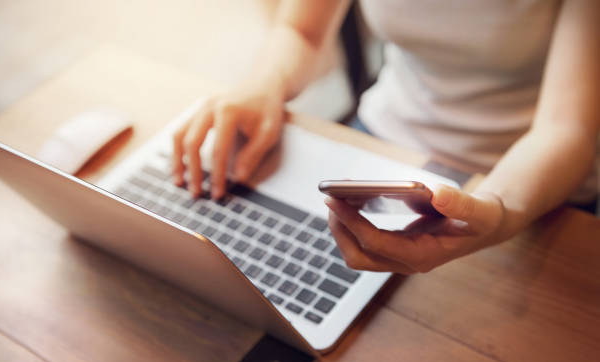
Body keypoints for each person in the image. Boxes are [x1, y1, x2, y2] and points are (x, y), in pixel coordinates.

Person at [171, 0, 600, 274]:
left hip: (531, 183)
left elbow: (567, 129)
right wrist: (266, 81)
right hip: (385, 136)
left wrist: (500, 212)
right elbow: (302, 30)